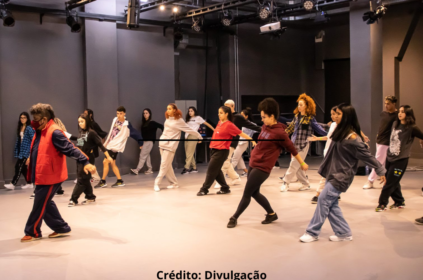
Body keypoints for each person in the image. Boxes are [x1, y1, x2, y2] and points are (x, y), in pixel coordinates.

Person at [299, 103, 386, 243]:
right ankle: (344, 233)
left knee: (323, 200)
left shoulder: (353, 138)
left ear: (346, 116)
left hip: (341, 176)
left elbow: (368, 156)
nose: (335, 116)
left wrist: (381, 170)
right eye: (334, 114)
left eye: (338, 114)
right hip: (332, 172)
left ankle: (312, 232)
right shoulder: (340, 130)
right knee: (331, 204)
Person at [227, 98, 308, 228]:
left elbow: (292, 149)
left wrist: (302, 163)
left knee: (247, 193)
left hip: (263, 167)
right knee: (254, 193)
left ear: (272, 116)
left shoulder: (280, 133)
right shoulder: (265, 126)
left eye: (264, 117)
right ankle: (271, 214)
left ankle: (234, 217)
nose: (262, 120)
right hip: (254, 162)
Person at [21, 103, 96, 242]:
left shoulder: (54, 132)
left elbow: (70, 148)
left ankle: (32, 231)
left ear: (44, 119)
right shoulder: (40, 130)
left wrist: (85, 162)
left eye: (36, 118)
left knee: (39, 203)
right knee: (45, 202)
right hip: (42, 174)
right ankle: (61, 228)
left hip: (51, 176)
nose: (33, 121)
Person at [197, 106, 256, 196]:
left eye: (221, 113)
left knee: (211, 170)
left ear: (226, 114)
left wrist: (252, 140)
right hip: (214, 149)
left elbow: (241, 133)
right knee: (217, 171)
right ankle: (225, 188)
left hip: (222, 151)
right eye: (218, 113)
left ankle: (204, 189)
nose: (219, 115)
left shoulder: (230, 125)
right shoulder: (220, 122)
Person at [376, 105, 423, 211]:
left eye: (403, 112)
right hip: (390, 157)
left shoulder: (412, 128)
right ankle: (399, 201)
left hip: (401, 160)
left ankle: (382, 204)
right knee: (393, 181)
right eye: (399, 111)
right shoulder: (395, 123)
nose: (400, 113)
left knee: (389, 183)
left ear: (408, 114)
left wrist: (421, 140)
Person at [280, 93, 327, 192]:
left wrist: (329, 135)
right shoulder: (297, 116)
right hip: (294, 143)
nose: (299, 106)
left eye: (301, 105)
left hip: (304, 144)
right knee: (297, 165)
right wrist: (282, 135)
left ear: (307, 106)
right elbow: (291, 128)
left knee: (294, 164)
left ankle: (286, 182)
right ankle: (305, 184)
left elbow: (319, 129)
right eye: (299, 104)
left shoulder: (310, 118)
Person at [154, 103, 203, 192]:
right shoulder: (167, 119)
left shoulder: (179, 120)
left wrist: (199, 136)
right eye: (167, 108)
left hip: (171, 145)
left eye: (169, 109)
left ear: (174, 110)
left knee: (164, 164)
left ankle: (157, 183)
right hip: (162, 143)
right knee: (167, 165)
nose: (167, 110)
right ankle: (174, 183)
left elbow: (189, 129)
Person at [213, 100, 262, 189]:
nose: (225, 108)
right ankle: (235, 178)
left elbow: (250, 125)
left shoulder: (238, 117)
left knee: (225, 161)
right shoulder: (225, 117)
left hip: (232, 143)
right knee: (226, 161)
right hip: (223, 142)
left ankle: (220, 181)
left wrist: (264, 130)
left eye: (227, 106)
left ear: (233, 106)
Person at [68, 114, 113, 207]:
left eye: (82, 121)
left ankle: (73, 199)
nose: (80, 123)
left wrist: (108, 156)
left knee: (81, 179)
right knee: (85, 179)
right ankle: (90, 196)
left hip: (88, 159)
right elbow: (80, 145)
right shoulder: (80, 132)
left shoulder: (92, 132)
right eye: (79, 122)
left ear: (87, 121)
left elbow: (100, 145)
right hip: (80, 158)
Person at [95, 106, 144, 188]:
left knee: (105, 162)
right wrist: (106, 143)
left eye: (121, 113)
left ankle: (103, 181)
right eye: (117, 113)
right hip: (110, 144)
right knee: (112, 163)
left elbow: (135, 133)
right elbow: (111, 132)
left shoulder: (126, 124)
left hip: (115, 146)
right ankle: (119, 180)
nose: (119, 115)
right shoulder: (115, 120)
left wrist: (140, 143)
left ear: (124, 114)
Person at [363, 96, 398, 189]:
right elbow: (382, 126)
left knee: (378, 161)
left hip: (387, 141)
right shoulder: (383, 113)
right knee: (381, 162)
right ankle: (384, 179)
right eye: (385, 103)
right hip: (380, 140)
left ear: (394, 104)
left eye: (388, 104)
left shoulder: (397, 115)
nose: (386, 105)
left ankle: (370, 180)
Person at [4, 112, 35, 190]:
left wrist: (29, 156)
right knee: (23, 168)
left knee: (18, 167)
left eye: (24, 117)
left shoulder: (29, 128)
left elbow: (33, 140)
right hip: (22, 151)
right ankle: (30, 183)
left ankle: (13, 184)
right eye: (21, 117)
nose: (22, 119)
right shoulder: (21, 127)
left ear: (27, 119)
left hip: (26, 151)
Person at [181, 106, 214, 175]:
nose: (190, 112)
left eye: (191, 111)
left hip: (193, 135)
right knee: (189, 152)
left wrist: (214, 130)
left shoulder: (198, 118)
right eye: (189, 111)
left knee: (189, 153)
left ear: (194, 111)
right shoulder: (188, 119)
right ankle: (194, 168)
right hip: (186, 136)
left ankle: (186, 168)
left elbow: (207, 124)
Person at [131, 108, 164, 175]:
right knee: (147, 155)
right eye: (144, 113)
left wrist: (164, 135)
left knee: (142, 155)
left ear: (149, 114)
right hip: (144, 142)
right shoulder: (144, 124)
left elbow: (161, 126)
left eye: (146, 113)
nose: (145, 114)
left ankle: (137, 169)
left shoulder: (152, 123)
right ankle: (149, 169)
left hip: (149, 142)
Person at [231, 108, 257, 177]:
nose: (241, 116)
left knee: (235, 158)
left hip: (243, 142)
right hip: (238, 141)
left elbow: (257, 129)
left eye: (242, 115)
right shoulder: (240, 122)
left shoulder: (250, 124)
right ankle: (246, 171)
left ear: (246, 116)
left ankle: (228, 172)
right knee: (238, 157)